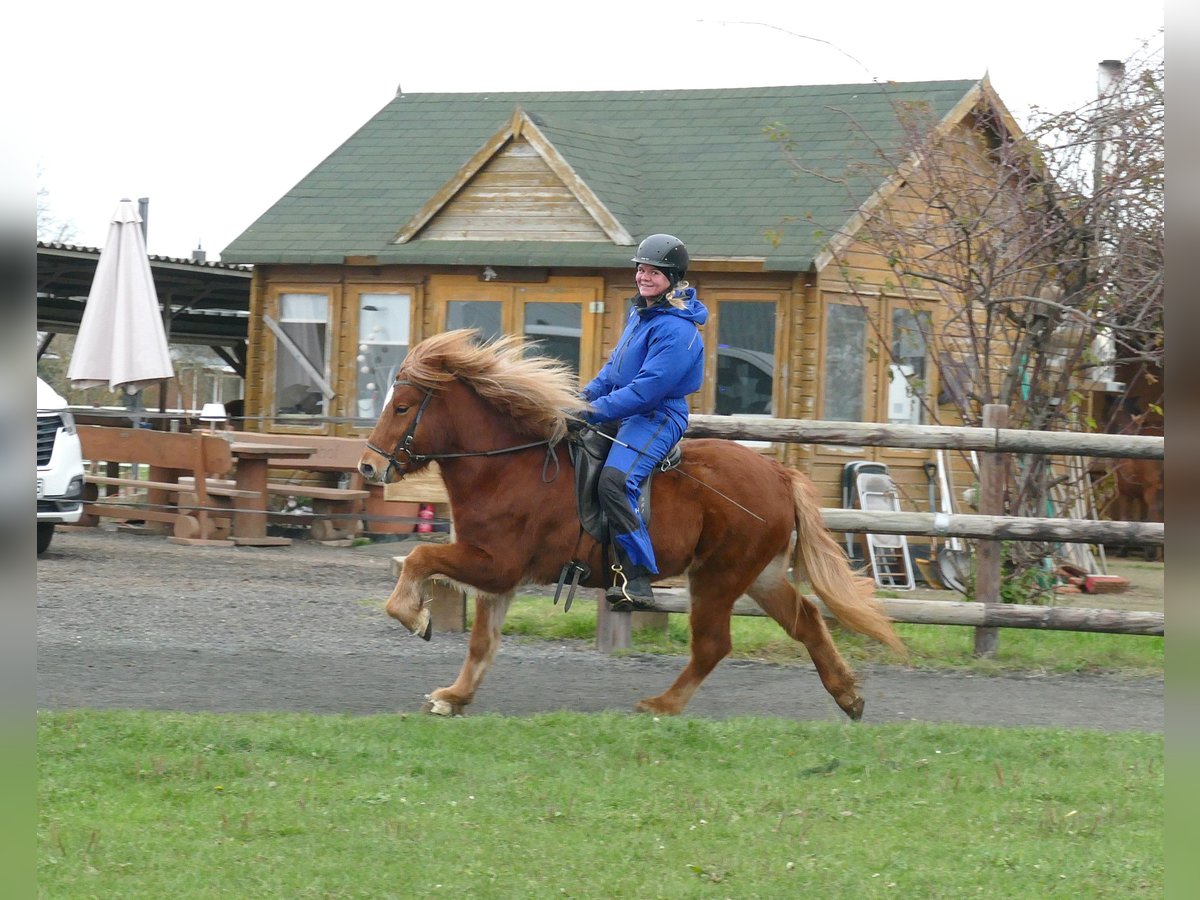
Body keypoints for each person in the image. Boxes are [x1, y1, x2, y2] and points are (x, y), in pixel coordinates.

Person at [576, 234, 708, 611]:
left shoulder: (678, 330)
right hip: (627, 409)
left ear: (672, 277)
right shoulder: (641, 313)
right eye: (641, 269)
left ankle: (638, 575)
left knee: (615, 480)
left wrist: (593, 412)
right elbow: (614, 371)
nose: (644, 276)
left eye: (654, 271)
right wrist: (577, 400)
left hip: (657, 415)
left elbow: (647, 391)